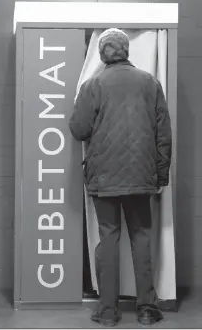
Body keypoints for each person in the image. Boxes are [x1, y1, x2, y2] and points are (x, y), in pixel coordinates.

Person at [69, 28, 172, 327]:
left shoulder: (92, 84)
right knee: (141, 239)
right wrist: (160, 175)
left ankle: (108, 312)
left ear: (102, 54)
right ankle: (147, 310)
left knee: (108, 238)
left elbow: (78, 130)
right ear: (126, 51)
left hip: (104, 178)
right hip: (142, 177)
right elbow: (163, 133)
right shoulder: (151, 83)